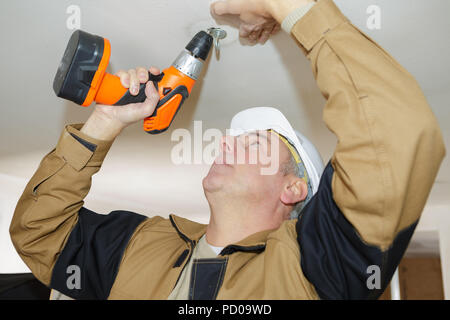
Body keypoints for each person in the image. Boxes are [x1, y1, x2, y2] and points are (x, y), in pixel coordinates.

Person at [10, 0, 445, 300]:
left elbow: (397, 131)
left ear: (293, 188)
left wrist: (284, 6)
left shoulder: (316, 268)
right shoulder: (142, 245)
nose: (226, 142)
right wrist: (104, 122)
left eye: (253, 142)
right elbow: (38, 235)